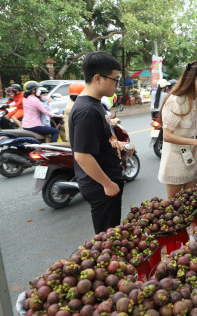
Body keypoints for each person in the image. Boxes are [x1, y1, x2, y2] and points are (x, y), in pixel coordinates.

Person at [69, 51, 129, 234]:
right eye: (115, 80)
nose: (117, 85)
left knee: (113, 234)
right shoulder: (87, 110)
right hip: (102, 186)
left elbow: (99, 142)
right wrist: (107, 184)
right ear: (98, 78)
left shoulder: (96, 105)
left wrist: (121, 147)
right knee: (107, 239)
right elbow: (82, 155)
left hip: (108, 181)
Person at [158, 60, 197, 199]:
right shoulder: (175, 101)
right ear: (190, 79)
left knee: (190, 201)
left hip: (191, 159)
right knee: (175, 204)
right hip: (174, 159)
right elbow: (167, 136)